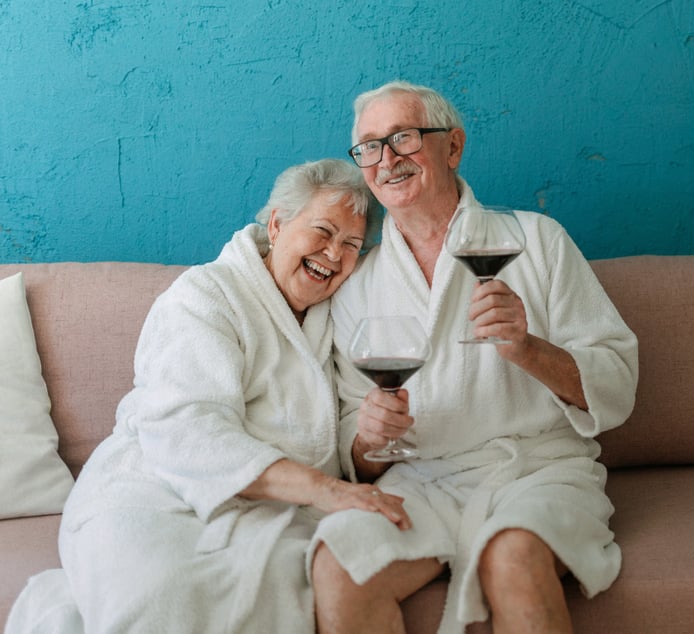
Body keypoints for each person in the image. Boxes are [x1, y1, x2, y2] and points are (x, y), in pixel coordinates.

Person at [6, 159, 404, 633]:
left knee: (292, 586)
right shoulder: (205, 296)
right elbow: (189, 429)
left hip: (268, 510)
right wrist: (327, 490)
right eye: (323, 230)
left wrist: (368, 440)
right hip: (153, 491)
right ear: (277, 223)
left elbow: (345, 438)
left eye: (352, 245)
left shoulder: (336, 318)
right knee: (161, 594)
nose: (334, 254)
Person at [310, 81, 639, 633]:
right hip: (421, 482)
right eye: (369, 147)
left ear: (452, 147)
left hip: (536, 471)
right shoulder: (357, 285)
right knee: (341, 562)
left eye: (404, 138)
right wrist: (368, 437)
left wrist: (527, 349)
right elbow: (356, 446)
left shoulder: (538, 240)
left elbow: (617, 383)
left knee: (511, 556)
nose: (386, 160)